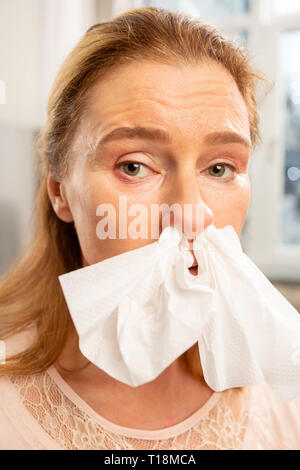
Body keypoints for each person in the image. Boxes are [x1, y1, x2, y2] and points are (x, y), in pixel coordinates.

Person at [0, 6, 299, 450]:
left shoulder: (280, 380)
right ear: (61, 192)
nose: (191, 216)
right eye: (134, 166)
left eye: (219, 168)